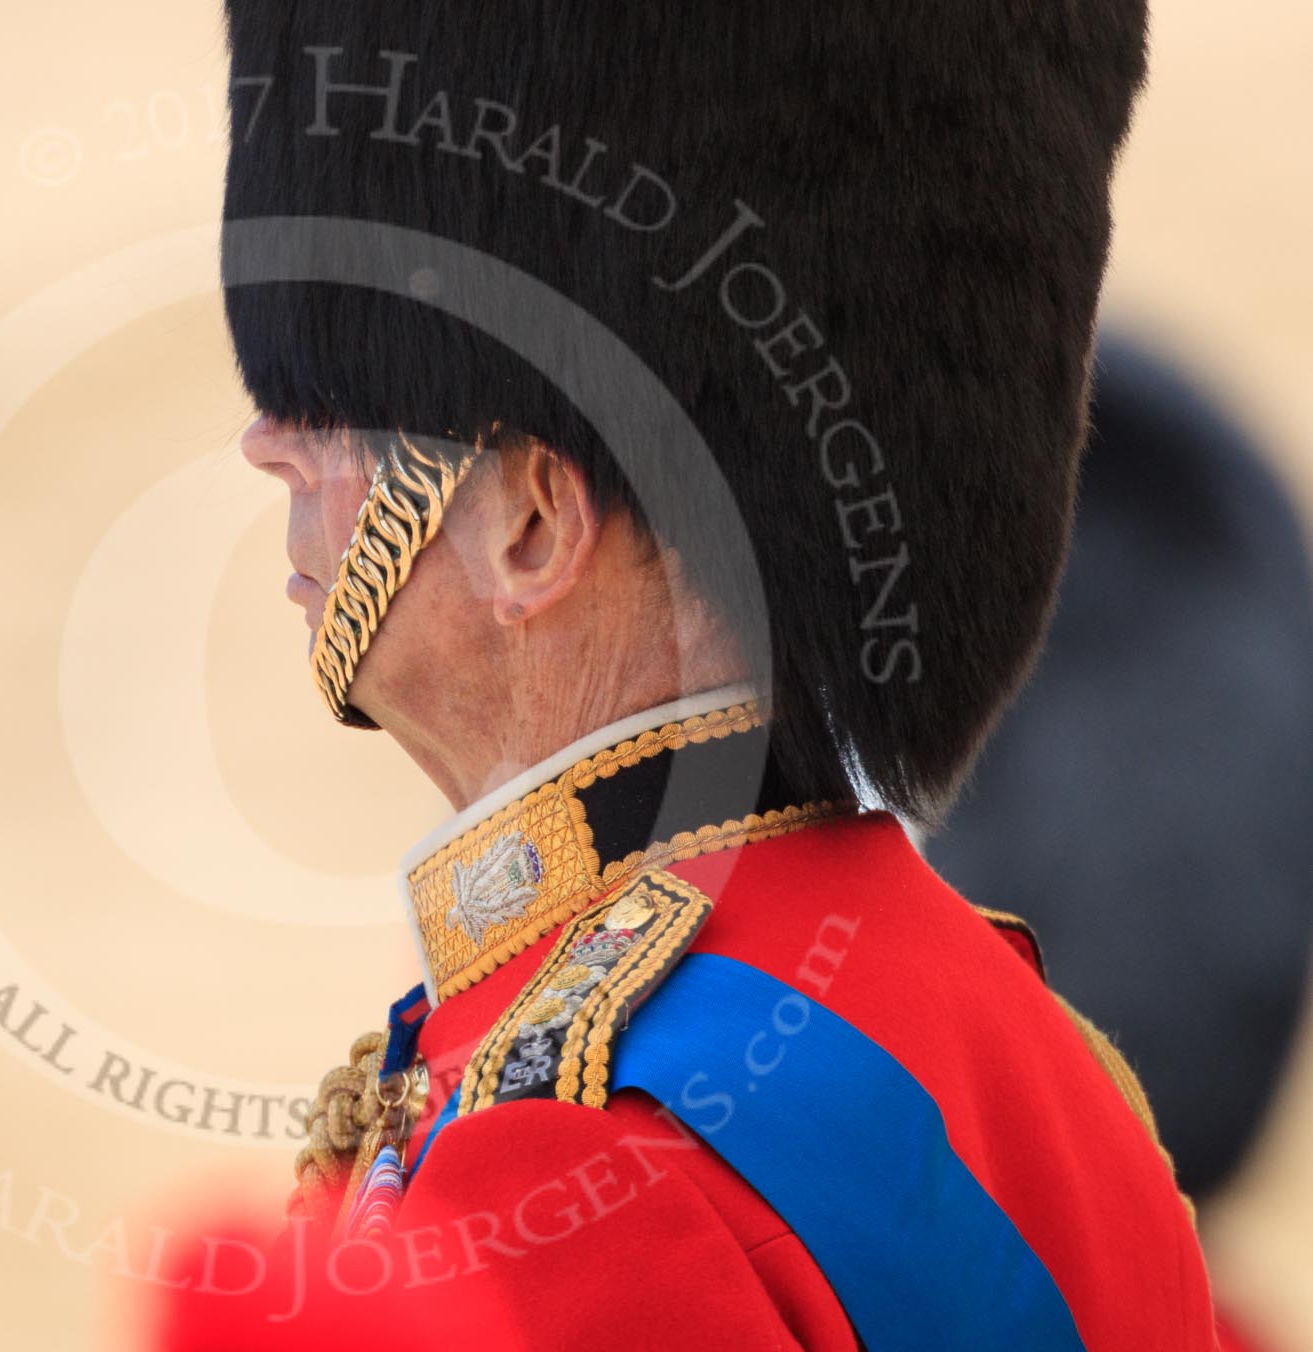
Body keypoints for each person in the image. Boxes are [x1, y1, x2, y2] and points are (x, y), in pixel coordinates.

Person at [156, 1, 1220, 1346]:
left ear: (533, 523)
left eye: (337, 408)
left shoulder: (568, 1166)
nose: (272, 448)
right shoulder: (1043, 1051)